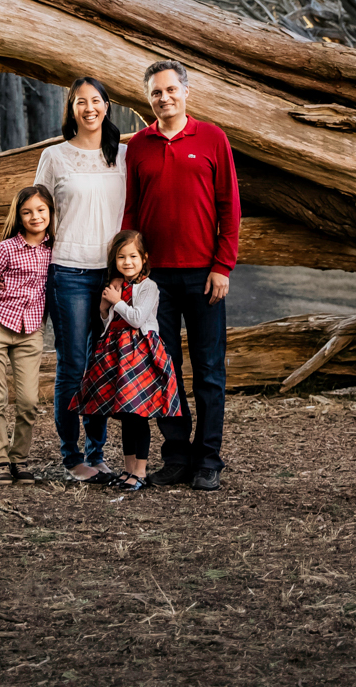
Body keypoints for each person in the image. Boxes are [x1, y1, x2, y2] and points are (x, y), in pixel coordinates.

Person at [120, 58, 239, 491]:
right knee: (164, 370)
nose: (164, 98)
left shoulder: (211, 138)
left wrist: (223, 266)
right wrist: (129, 271)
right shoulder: (139, 145)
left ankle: (208, 459)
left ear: (186, 91)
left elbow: (230, 209)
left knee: (208, 370)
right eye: (156, 92)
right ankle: (176, 457)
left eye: (171, 90)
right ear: (148, 98)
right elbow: (131, 211)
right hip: (154, 282)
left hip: (205, 276)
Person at [33, 77, 125, 483]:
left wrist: (127, 275)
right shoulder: (54, 157)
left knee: (102, 366)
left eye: (96, 101)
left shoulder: (124, 155)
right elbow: (36, 216)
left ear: (107, 105)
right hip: (68, 271)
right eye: (80, 102)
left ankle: (97, 452)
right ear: (71, 109)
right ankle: (72, 457)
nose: (89, 108)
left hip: (111, 276)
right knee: (73, 366)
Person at [70, 228, 181, 490]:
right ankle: (128, 469)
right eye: (121, 258)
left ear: (144, 258)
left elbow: (137, 318)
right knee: (124, 413)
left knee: (138, 414)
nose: (127, 262)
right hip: (117, 356)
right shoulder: (118, 286)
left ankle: (140, 472)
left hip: (140, 355)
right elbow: (110, 323)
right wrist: (104, 308)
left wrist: (117, 301)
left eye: (133, 256)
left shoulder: (148, 287)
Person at [0, 184, 55, 485]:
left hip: (30, 330)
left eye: (41, 210)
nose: (35, 216)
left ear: (50, 212)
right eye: (27, 212)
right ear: (19, 217)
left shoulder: (54, 249)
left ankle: (19, 458)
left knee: (29, 400)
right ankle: (0, 462)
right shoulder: (5, 249)